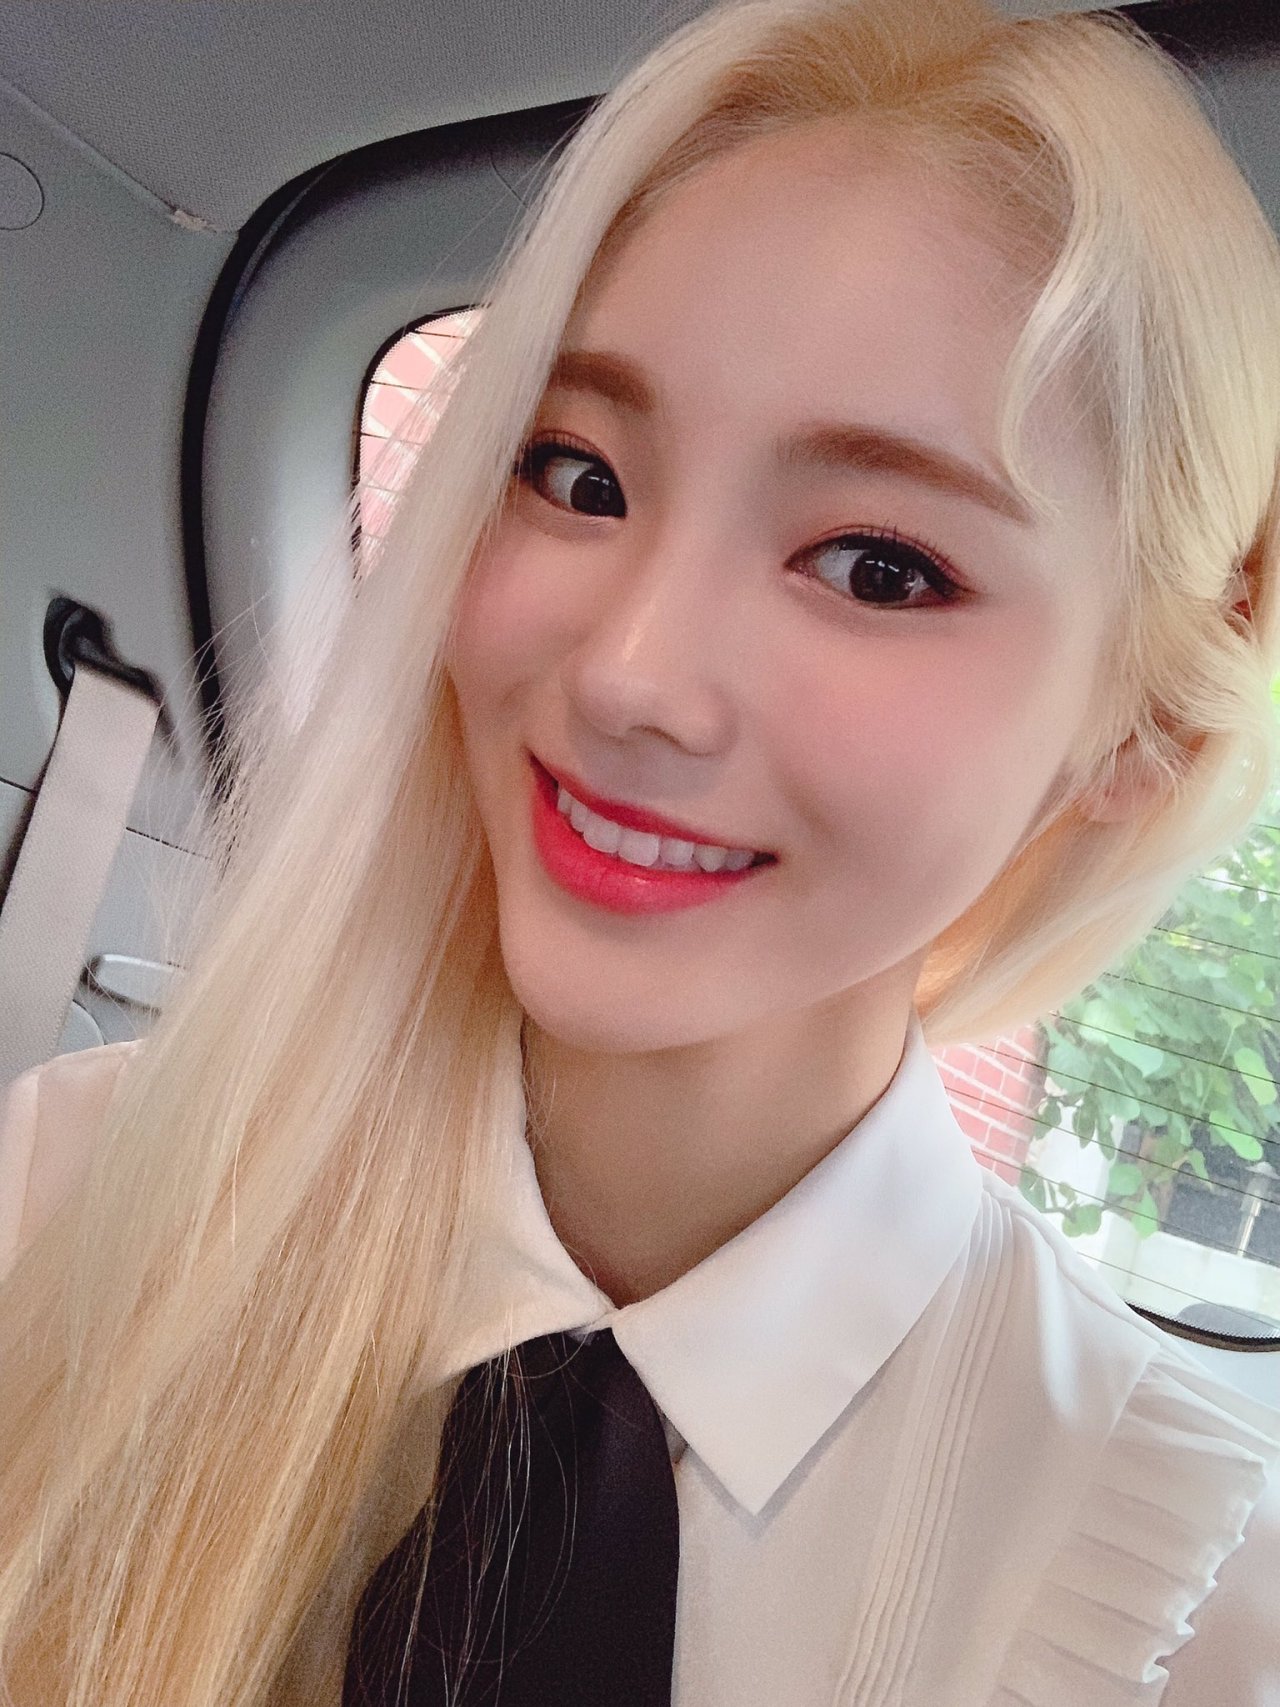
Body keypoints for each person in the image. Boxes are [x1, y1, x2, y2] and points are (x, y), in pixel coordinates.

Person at [1, 0, 1278, 1700]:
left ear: (1143, 734)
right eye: (580, 474)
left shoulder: (1197, 1607)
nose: (627, 676)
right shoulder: (61, 1192)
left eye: (880, 567)